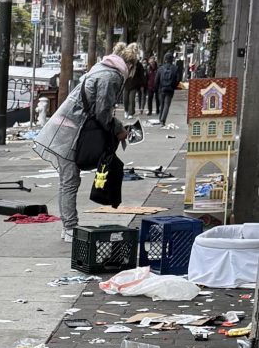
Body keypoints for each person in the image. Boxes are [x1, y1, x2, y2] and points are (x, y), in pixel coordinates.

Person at [33, 42, 132, 242]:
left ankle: (69, 226)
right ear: (131, 64)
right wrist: (119, 129)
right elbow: (102, 112)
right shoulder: (110, 76)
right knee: (69, 181)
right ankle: (69, 228)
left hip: (66, 129)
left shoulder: (101, 69)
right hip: (69, 133)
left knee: (69, 180)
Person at [155, 52, 179, 125]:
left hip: (161, 89)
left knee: (161, 104)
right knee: (166, 105)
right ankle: (163, 120)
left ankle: (160, 118)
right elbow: (178, 79)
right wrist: (174, 86)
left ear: (165, 59)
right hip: (170, 89)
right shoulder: (175, 68)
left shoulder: (161, 68)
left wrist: (157, 88)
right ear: (172, 59)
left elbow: (156, 80)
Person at [122, 44, 143, 117]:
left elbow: (141, 74)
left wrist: (140, 84)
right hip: (126, 83)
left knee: (132, 99)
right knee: (125, 99)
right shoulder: (124, 63)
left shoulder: (138, 65)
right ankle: (126, 110)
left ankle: (131, 112)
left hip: (134, 84)